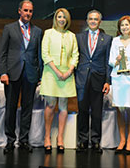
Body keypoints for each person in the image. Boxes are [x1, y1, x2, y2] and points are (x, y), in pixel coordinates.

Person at [0, 0, 43, 153]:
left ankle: (24, 140)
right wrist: (3, 72)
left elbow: (39, 55)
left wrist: (40, 75)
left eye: (30, 11)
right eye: (25, 10)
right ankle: (10, 140)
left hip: (30, 74)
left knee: (27, 108)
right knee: (10, 108)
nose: (28, 13)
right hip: (12, 74)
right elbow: (2, 53)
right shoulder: (9, 28)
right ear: (19, 11)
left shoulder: (37, 31)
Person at [40, 8, 79, 153]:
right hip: (51, 73)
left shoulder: (72, 36)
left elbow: (75, 55)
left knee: (63, 106)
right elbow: (45, 53)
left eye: (64, 17)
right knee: (50, 105)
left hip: (67, 75)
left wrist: (69, 71)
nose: (61, 19)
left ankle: (60, 138)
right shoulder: (48, 33)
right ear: (55, 18)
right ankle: (47, 138)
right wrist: (57, 72)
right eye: (59, 17)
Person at [75, 10, 112, 154]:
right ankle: (83, 141)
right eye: (90, 19)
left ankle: (96, 141)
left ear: (100, 21)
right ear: (87, 20)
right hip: (82, 79)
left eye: (95, 19)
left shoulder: (107, 39)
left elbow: (108, 62)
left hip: (99, 78)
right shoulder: (79, 37)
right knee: (82, 111)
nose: (93, 21)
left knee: (97, 112)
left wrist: (108, 81)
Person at [109, 15, 130, 155]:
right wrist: (116, 61)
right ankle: (122, 140)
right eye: (122, 25)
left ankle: (129, 141)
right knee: (119, 109)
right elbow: (110, 60)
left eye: (127, 25)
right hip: (118, 78)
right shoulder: (115, 41)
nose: (124, 28)